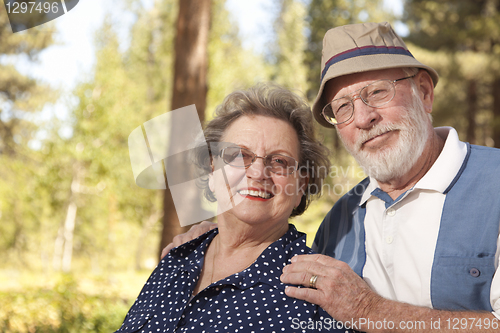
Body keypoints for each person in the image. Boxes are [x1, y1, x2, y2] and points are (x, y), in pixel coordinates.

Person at [165, 22, 500, 332]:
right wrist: (221, 235)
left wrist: (373, 311)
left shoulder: (493, 183)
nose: (364, 118)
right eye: (343, 107)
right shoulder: (340, 222)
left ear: (424, 92)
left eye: (377, 93)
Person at [115, 84, 352, 333]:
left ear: (300, 187)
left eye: (279, 161)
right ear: (211, 171)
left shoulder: (314, 296)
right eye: (239, 155)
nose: (259, 173)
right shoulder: (176, 259)